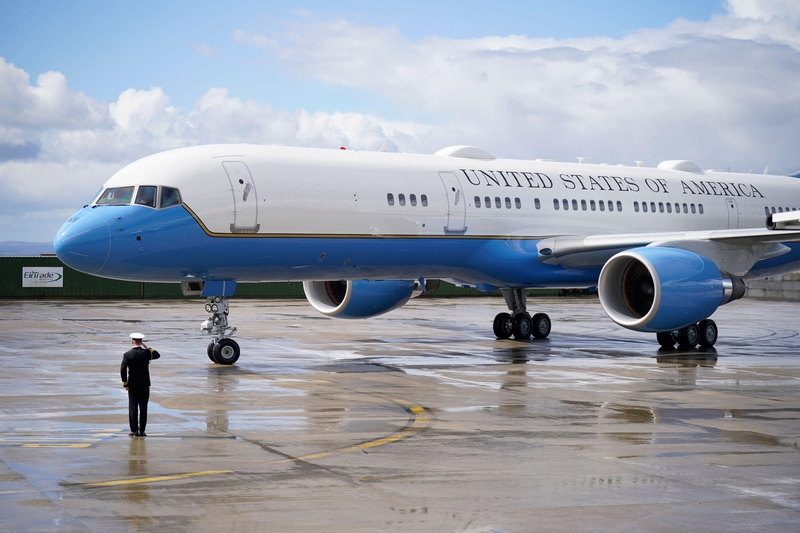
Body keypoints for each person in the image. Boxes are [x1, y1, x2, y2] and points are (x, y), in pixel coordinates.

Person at [121, 333, 161, 437]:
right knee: (143, 407)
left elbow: (123, 370)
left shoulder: (128, 354)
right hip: (144, 385)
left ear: (132, 341)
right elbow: (157, 355)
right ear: (141, 341)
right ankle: (142, 430)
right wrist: (146, 347)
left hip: (133, 385)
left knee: (133, 407)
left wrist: (125, 384)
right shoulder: (147, 353)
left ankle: (134, 430)